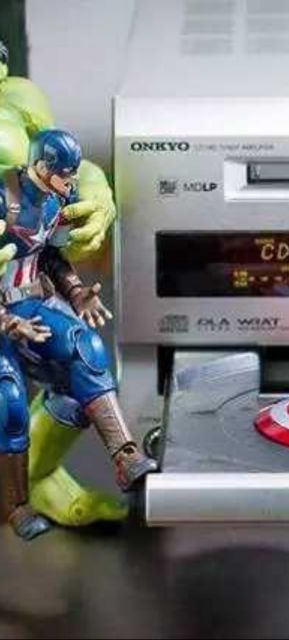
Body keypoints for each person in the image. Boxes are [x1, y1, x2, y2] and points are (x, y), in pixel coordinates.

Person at [0, 128, 156, 539]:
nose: (70, 182)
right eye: (64, 174)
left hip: (31, 302)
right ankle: (16, 506)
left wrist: (75, 292)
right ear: (41, 166)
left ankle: (126, 455)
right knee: (9, 402)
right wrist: (7, 322)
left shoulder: (54, 200)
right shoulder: (4, 198)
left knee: (85, 347)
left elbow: (51, 255)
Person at [0, 39, 127, 525]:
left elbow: (76, 169)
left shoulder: (18, 100)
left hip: (22, 290)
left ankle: (38, 477)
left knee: (82, 367)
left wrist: (96, 196)